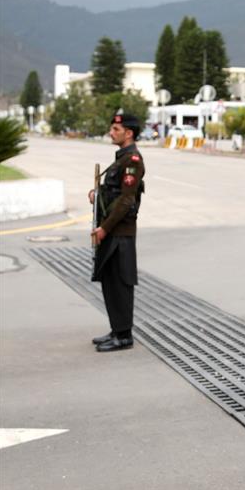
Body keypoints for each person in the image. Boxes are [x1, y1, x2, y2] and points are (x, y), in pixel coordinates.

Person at [88, 112, 145, 352]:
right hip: (112, 231)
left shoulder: (132, 159)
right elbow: (113, 193)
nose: (111, 133)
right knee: (110, 283)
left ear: (128, 133)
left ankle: (124, 336)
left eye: (115, 130)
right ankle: (116, 329)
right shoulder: (120, 160)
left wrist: (104, 228)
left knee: (121, 284)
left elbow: (125, 201)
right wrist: (96, 195)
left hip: (120, 232)